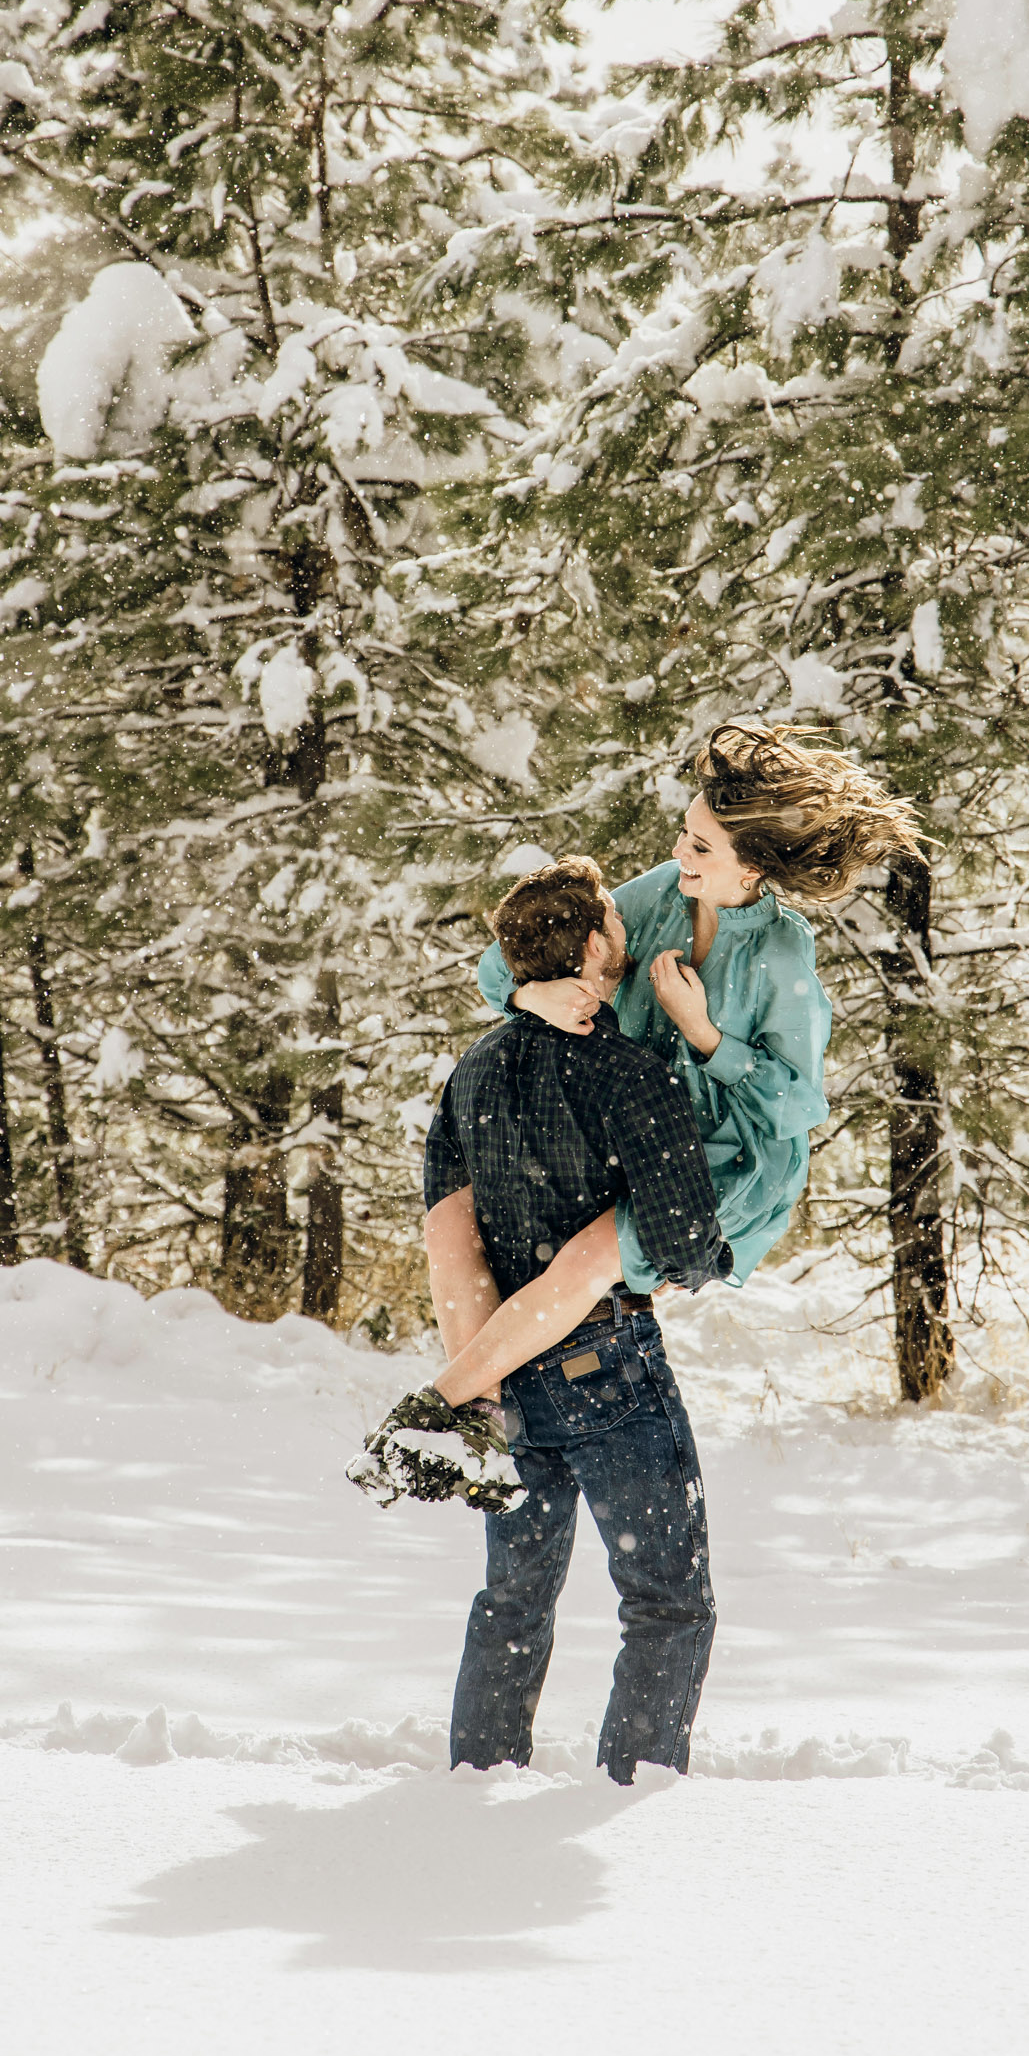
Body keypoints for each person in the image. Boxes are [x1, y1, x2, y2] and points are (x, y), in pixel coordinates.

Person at [353, 856, 733, 1784]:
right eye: (615, 920)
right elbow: (681, 1237)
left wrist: (474, 1385)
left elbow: (451, 1243)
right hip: (610, 1369)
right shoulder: (625, 1073)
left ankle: (477, 1778)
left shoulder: (471, 1073)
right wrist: (707, 1262)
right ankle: (633, 1785)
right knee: (667, 1602)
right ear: (600, 945)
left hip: (504, 1375)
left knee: (513, 1598)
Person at [470, 720, 921, 1350]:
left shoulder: (784, 953)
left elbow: (794, 1104)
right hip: (626, 1129)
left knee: (585, 1262)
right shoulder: (660, 891)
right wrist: (531, 991)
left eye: (702, 848)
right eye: (685, 833)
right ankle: (477, 1408)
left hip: (719, 1161)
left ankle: (450, 1405)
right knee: (473, 1214)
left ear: (752, 868)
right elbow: (515, 953)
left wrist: (703, 1033)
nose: (682, 852)